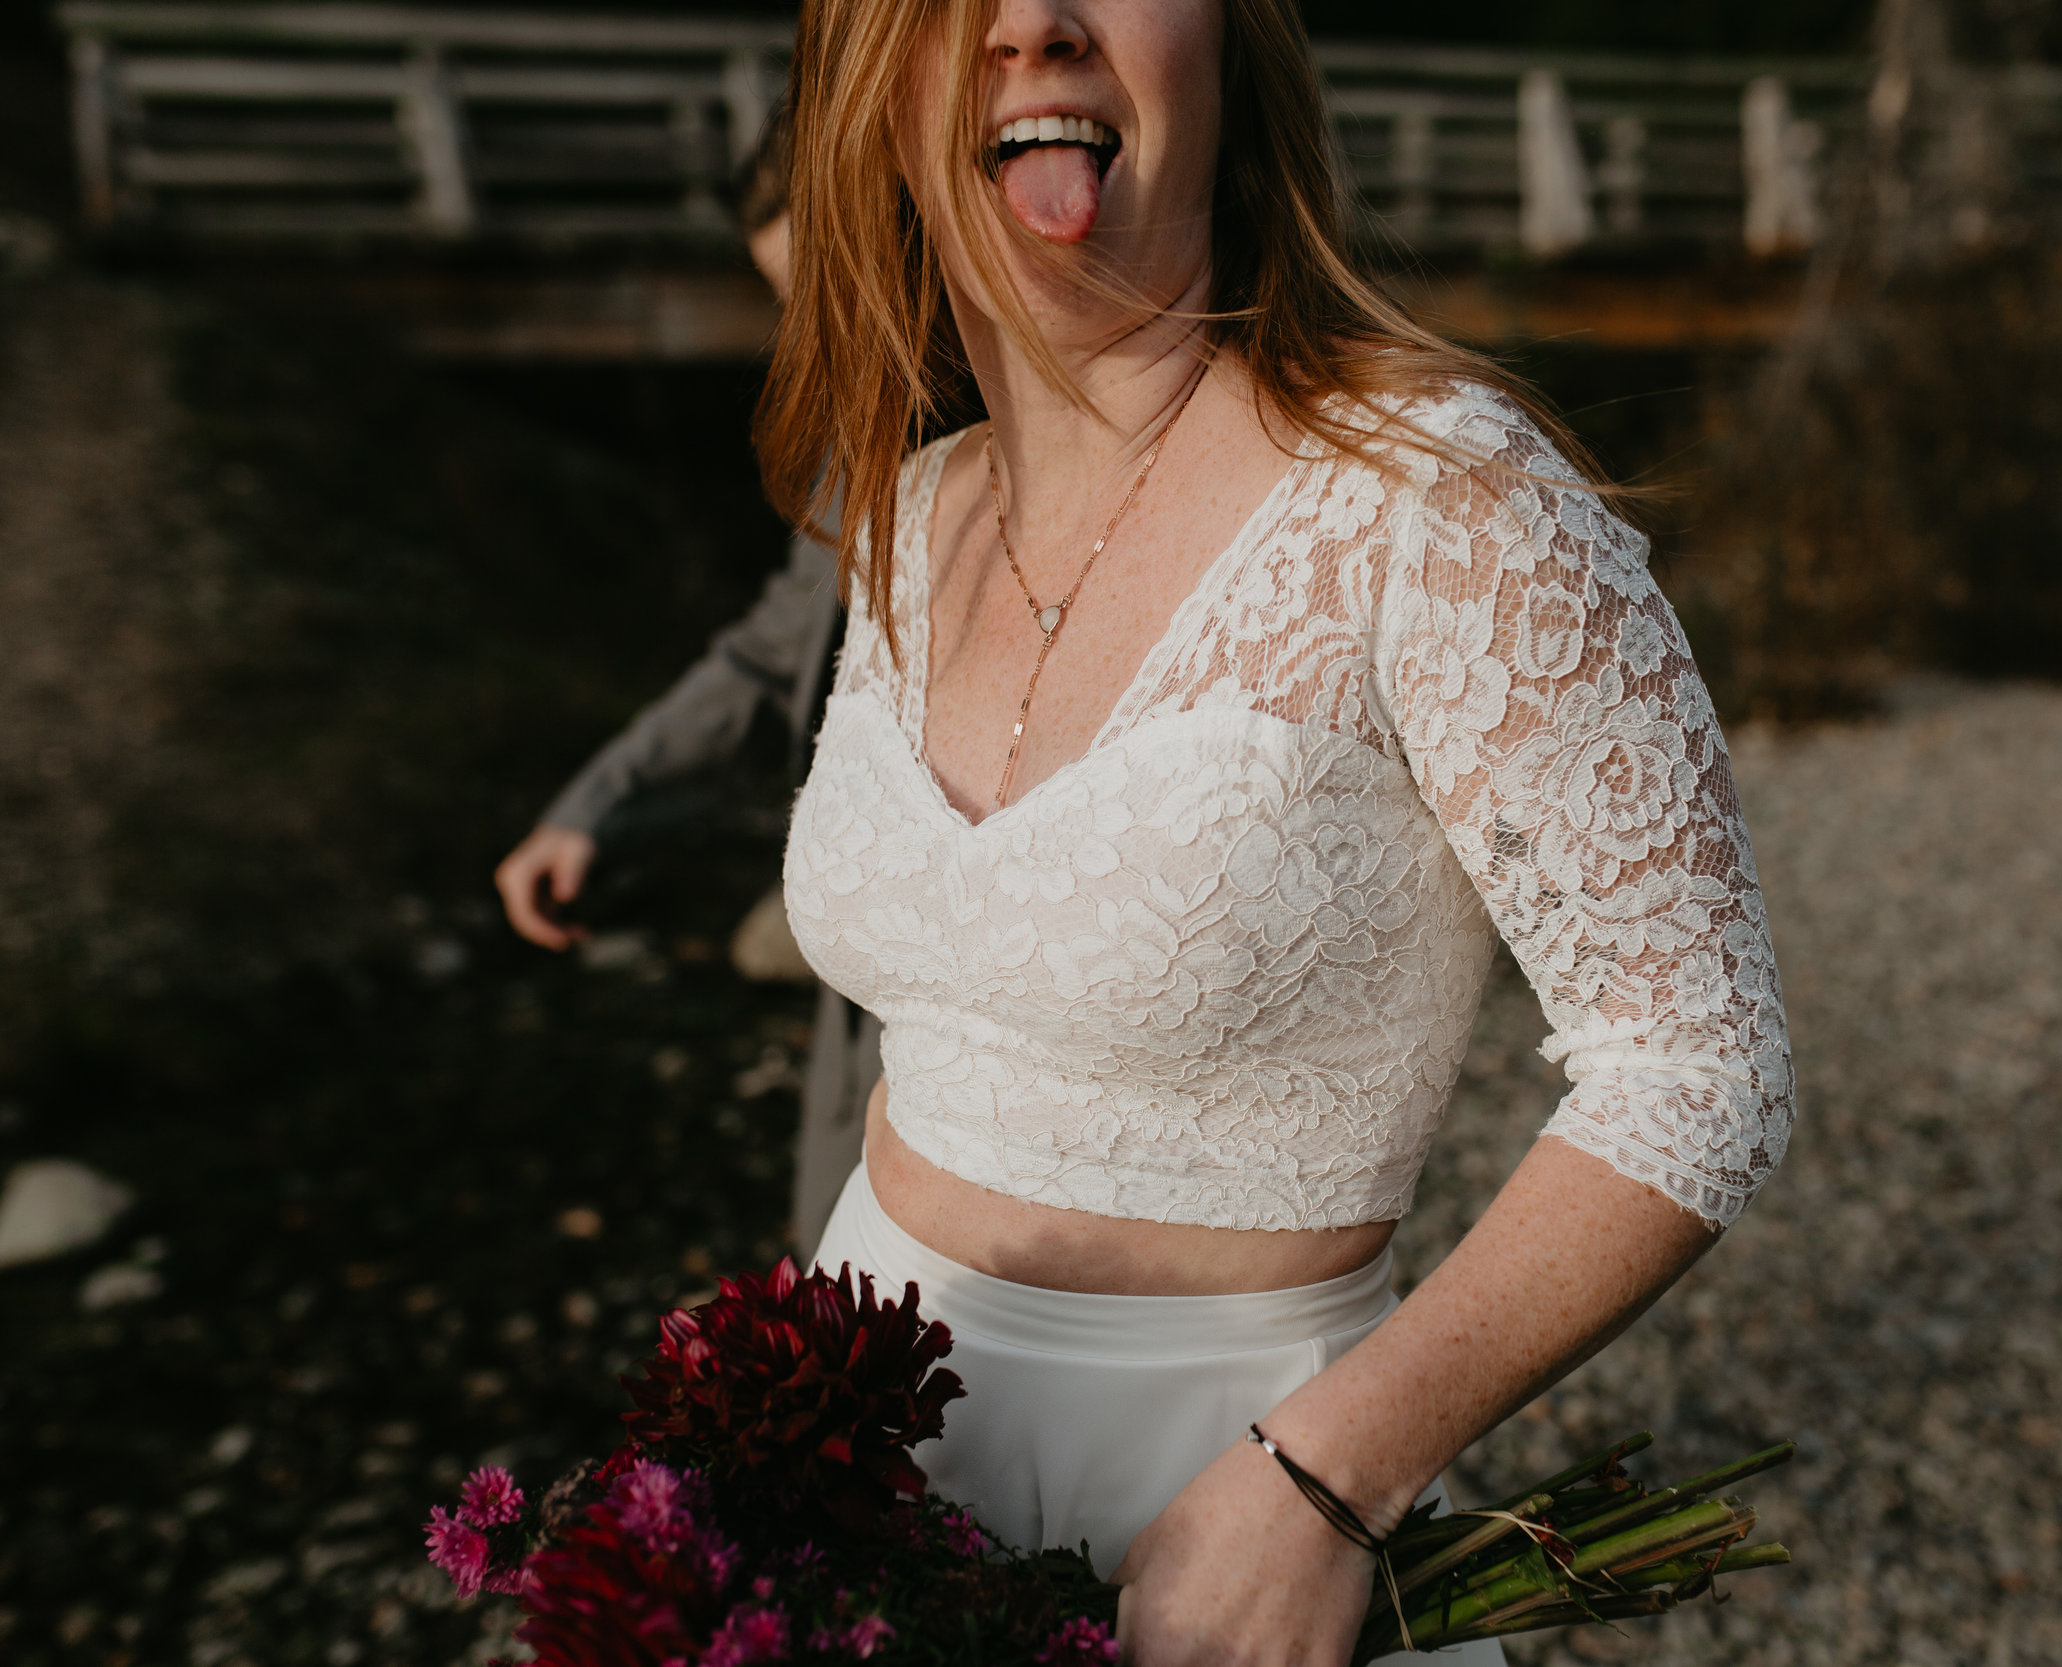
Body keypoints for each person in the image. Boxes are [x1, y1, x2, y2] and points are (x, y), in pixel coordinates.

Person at [768, 1, 1793, 1661]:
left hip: (1236, 1503)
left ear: (1233, 53)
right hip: (856, 1449)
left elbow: (1700, 1068)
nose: (1032, 22)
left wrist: (1329, 1478)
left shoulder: (1446, 503)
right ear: (876, 97)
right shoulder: (907, 509)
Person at [492, 110, 882, 1254]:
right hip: (863, 1001)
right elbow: (775, 658)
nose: (828, 328)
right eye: (800, 302)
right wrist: (597, 807)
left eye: (847, 282)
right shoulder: (853, 442)